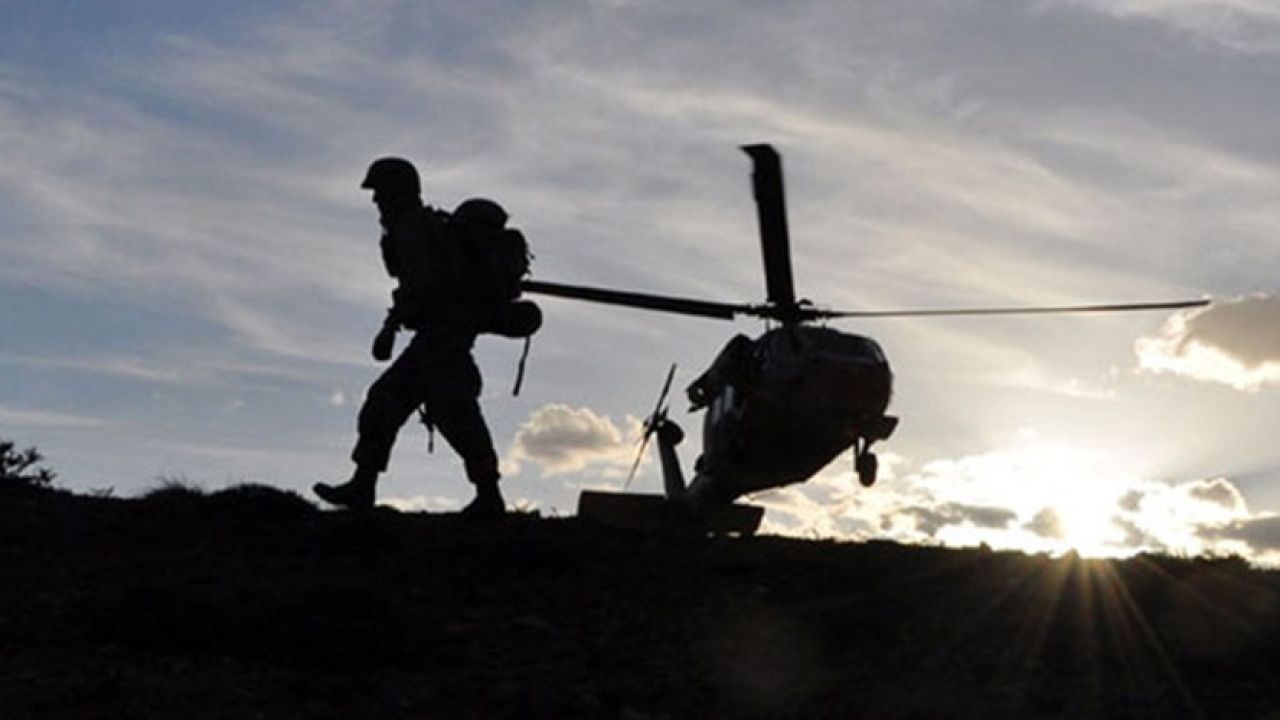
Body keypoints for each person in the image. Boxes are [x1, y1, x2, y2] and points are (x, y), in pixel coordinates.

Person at [313, 157, 504, 518]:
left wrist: (394, 323)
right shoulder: (419, 227)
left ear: (396, 191)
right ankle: (363, 485)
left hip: (443, 339)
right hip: (437, 338)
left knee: (454, 415)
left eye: (380, 192)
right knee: (389, 404)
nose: (376, 201)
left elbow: (423, 285)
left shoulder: (414, 228)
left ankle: (489, 495)